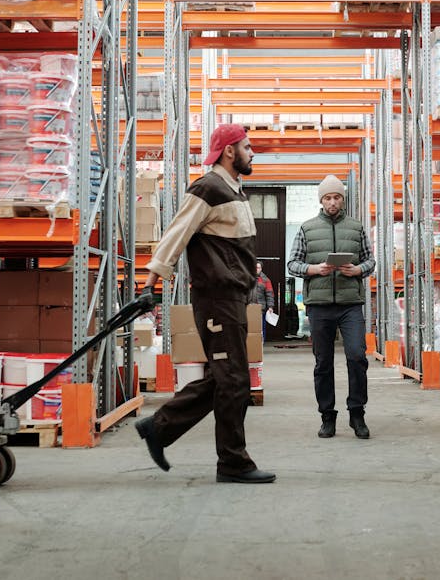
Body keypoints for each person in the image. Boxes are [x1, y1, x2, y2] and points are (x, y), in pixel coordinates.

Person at [135, 124, 275, 484]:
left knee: (224, 379)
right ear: (230, 151)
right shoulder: (207, 188)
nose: (252, 152)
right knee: (233, 383)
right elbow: (176, 233)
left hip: (233, 299)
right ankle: (233, 462)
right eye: (247, 146)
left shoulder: (234, 191)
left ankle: (159, 428)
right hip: (216, 300)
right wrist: (150, 281)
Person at [287, 175, 376, 439]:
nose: (333, 202)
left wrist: (358, 270)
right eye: (328, 198)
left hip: (350, 305)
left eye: (337, 197)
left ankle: (357, 414)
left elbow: (370, 260)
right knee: (323, 363)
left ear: (342, 199)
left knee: (357, 356)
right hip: (319, 305)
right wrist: (313, 269)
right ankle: (327, 417)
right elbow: (293, 264)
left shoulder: (357, 228)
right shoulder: (307, 229)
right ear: (321, 200)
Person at [251, 262, 275, 338]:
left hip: (260, 309)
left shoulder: (265, 280)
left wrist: (270, 307)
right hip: (248, 308)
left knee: (261, 328)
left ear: (261, 269)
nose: (256, 269)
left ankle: (261, 344)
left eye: (258, 268)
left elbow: (270, 294)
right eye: (255, 267)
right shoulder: (247, 278)